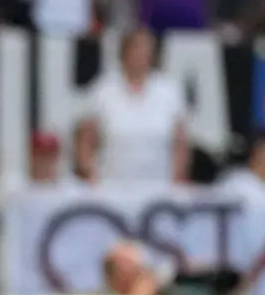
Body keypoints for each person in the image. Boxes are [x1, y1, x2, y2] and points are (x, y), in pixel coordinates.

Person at [76, 27, 190, 184]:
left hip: (158, 189)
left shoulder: (169, 91)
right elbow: (85, 140)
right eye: (136, 47)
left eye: (147, 48)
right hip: (113, 189)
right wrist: (90, 174)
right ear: (124, 52)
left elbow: (180, 142)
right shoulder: (103, 90)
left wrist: (177, 177)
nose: (142, 54)